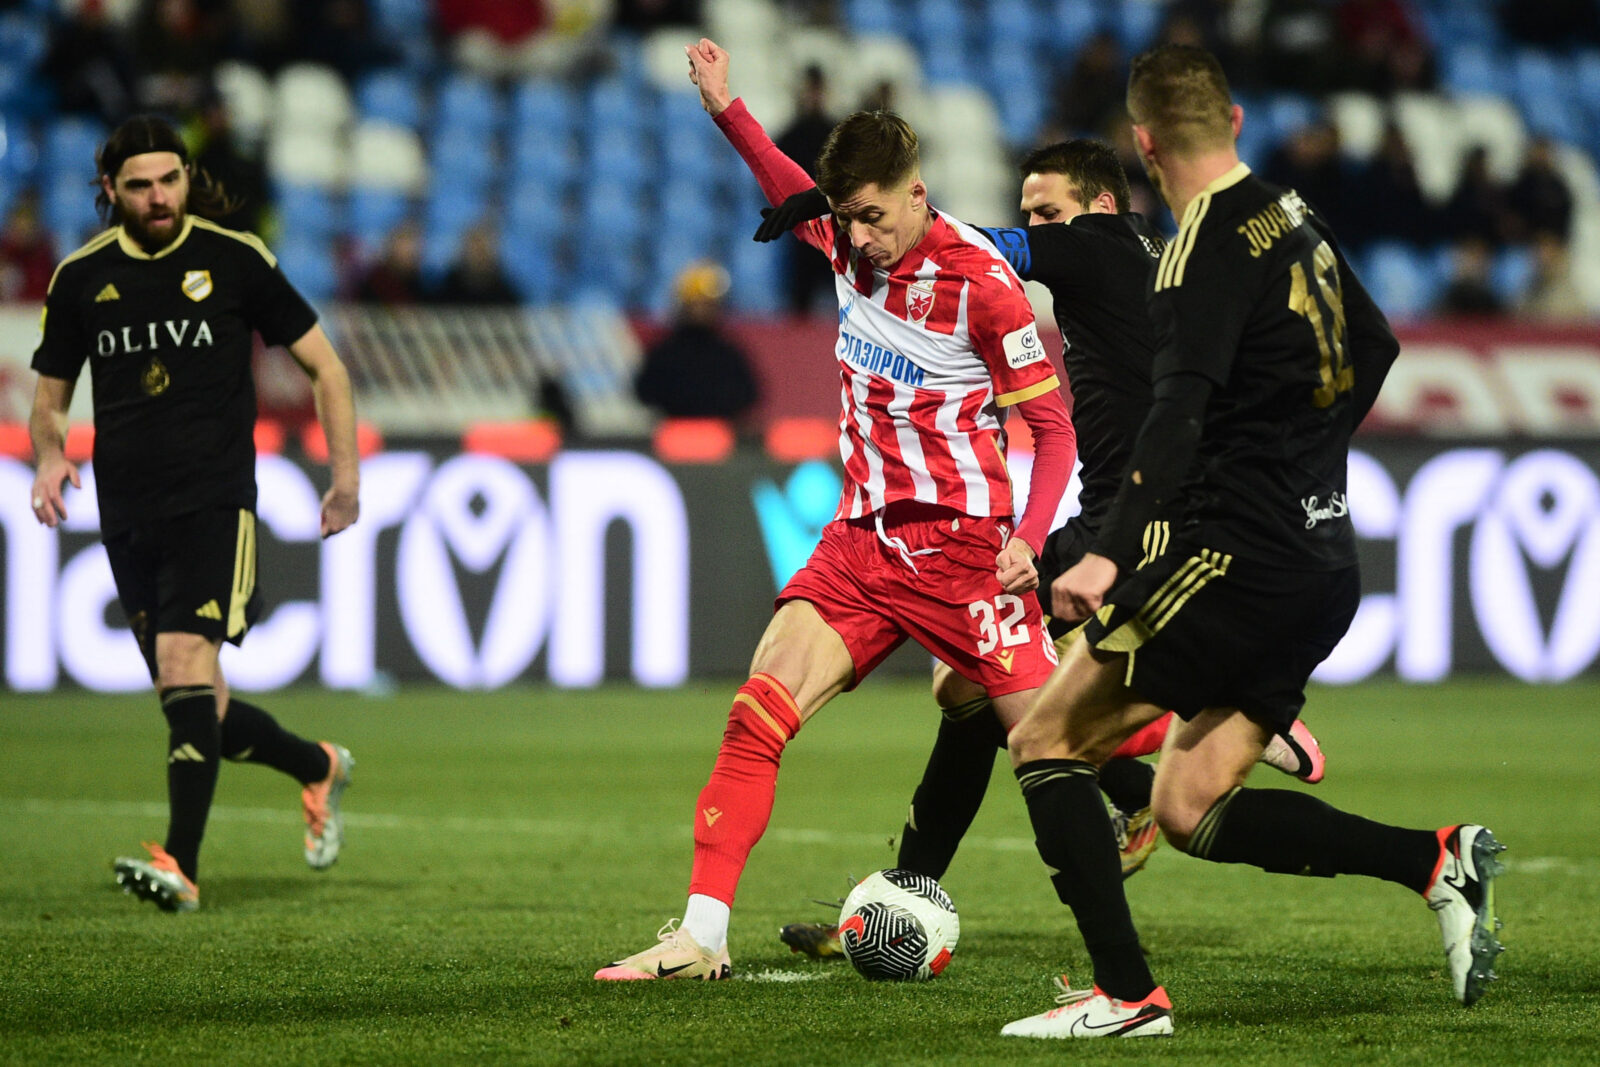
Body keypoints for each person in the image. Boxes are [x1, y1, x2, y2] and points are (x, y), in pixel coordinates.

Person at [997, 45, 1502, 1038]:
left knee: (1045, 737)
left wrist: (1107, 550)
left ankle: (1126, 995)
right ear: (1231, 120)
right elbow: (1377, 344)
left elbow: (1174, 416)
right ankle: (1435, 858)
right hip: (1323, 558)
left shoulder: (1196, 254)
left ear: (1142, 146)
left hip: (1235, 562)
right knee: (1186, 805)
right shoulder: (1294, 214)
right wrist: (1304, 462)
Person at [756, 140, 1328, 962]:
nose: (1036, 225)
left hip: (1125, 528)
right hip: (1142, 513)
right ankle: (906, 897)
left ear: (1097, 205)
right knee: (972, 688)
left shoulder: (1091, 244)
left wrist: (838, 212)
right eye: (1030, 211)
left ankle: (1222, 716)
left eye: (1047, 210)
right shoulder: (1151, 257)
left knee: (998, 692)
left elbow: (964, 246)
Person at [594, 37, 1079, 981]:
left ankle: (1237, 719)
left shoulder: (982, 284)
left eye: (870, 217)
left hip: (964, 554)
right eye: (845, 220)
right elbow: (785, 184)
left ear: (916, 191)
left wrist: (1028, 539)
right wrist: (726, 109)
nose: (856, 238)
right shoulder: (844, 242)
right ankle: (700, 936)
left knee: (1073, 740)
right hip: (860, 543)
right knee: (755, 713)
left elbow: (1053, 429)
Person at [27, 115, 360, 913]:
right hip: (126, 511)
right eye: (139, 185)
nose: (158, 197)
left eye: (169, 180)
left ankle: (181, 862)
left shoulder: (233, 258)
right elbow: (47, 400)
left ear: (185, 176)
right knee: (197, 703)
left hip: (214, 502)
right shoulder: (80, 278)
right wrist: (47, 453)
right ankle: (315, 765)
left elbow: (326, 366)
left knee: (182, 667)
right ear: (111, 190)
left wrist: (344, 476)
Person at [634, 259, 761, 420]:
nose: (702, 310)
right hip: (672, 437)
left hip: (719, 437)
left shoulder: (729, 355)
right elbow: (645, 394)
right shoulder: (663, 354)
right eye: (697, 303)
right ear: (683, 305)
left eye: (708, 304)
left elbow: (748, 395)